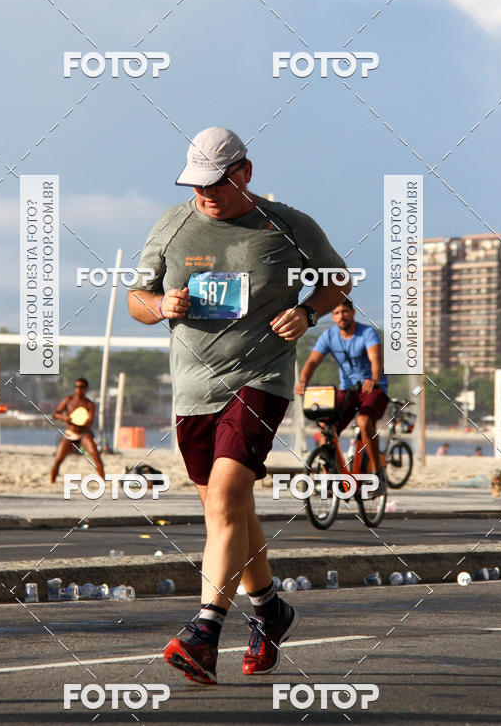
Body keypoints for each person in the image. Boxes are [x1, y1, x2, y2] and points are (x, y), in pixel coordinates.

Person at [127, 126, 349, 686]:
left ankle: (205, 632)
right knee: (230, 510)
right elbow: (135, 298)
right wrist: (158, 304)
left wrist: (309, 313)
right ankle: (272, 610)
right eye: (196, 184)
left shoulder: (289, 225)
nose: (206, 195)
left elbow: (337, 281)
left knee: (226, 496)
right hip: (193, 389)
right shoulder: (172, 224)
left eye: (217, 184)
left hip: (259, 380)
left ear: (244, 173)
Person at [296, 298, 389, 494]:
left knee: (364, 422)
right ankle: (328, 475)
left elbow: (375, 358)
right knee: (327, 428)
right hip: (347, 390)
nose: (341, 316)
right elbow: (312, 362)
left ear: (353, 312)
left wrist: (373, 378)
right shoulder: (328, 336)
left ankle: (377, 474)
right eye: (336, 313)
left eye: (345, 311)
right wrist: (303, 380)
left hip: (373, 388)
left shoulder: (367, 333)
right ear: (332, 315)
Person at [50, 378, 105, 482]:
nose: (78, 389)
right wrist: (64, 417)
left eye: (81, 387)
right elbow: (55, 414)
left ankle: (103, 480)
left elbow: (90, 422)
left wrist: (84, 422)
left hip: (84, 434)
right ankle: (52, 481)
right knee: (58, 459)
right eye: (76, 387)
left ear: (86, 389)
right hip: (70, 433)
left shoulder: (90, 404)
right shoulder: (68, 400)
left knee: (96, 456)